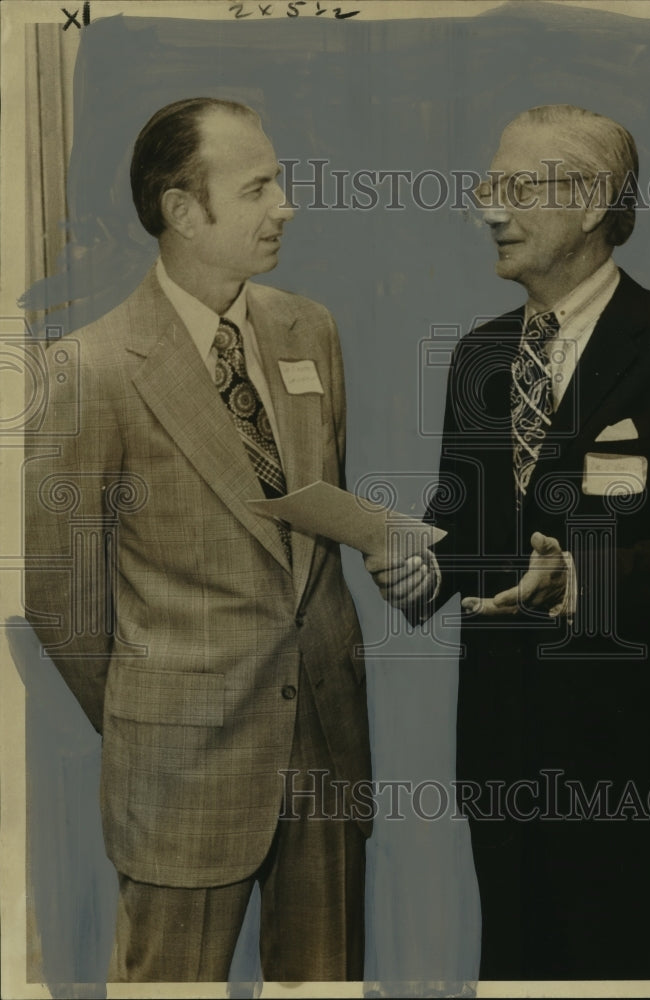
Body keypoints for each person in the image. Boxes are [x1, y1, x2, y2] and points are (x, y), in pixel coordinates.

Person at [368, 104, 650, 980]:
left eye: (515, 188)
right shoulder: (480, 355)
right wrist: (422, 568)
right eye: (489, 186)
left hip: (620, 764)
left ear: (589, 203)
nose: (488, 209)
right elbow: (464, 523)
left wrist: (582, 582)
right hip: (497, 756)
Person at [24, 97, 371, 984]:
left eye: (279, 183)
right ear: (183, 210)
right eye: (257, 188)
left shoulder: (312, 332)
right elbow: (62, 601)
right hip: (180, 774)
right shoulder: (89, 370)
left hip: (325, 752)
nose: (284, 204)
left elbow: (316, 526)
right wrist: (162, 714)